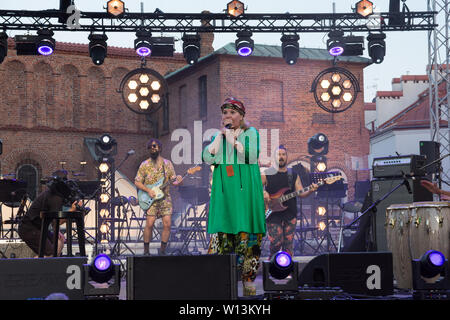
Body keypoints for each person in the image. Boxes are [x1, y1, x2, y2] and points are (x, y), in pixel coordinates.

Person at [203, 97, 266, 296]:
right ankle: (218, 280)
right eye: (225, 113)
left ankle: (248, 280)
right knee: (221, 237)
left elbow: (251, 156)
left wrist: (234, 141)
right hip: (224, 196)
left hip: (245, 193)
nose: (227, 116)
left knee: (247, 236)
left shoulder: (251, 133)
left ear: (241, 116)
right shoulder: (218, 136)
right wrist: (221, 139)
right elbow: (207, 157)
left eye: (232, 112)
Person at [261, 145, 318, 258]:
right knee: (277, 242)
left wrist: (311, 190)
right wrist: (263, 192)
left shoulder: (293, 174)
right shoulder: (267, 173)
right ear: (274, 157)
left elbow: (301, 193)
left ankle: (288, 271)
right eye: (279, 154)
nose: (281, 157)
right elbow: (255, 188)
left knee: (288, 245)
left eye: (283, 154)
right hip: (272, 213)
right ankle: (272, 261)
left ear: (287, 157)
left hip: (290, 214)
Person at [135, 138, 183, 255]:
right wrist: (148, 190)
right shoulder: (144, 165)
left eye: (154, 146)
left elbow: (174, 182)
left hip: (165, 198)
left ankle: (162, 251)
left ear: (160, 148)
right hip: (151, 199)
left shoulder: (167, 164)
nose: (152, 148)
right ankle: (146, 251)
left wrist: (180, 181)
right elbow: (137, 182)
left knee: (167, 224)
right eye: (150, 147)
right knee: (149, 224)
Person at [18, 170, 80, 257]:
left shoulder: (54, 194)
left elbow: (54, 221)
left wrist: (56, 231)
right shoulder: (54, 197)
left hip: (39, 228)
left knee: (59, 241)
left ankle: (49, 264)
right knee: (50, 252)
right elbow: (58, 220)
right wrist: (71, 211)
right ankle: (36, 267)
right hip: (30, 229)